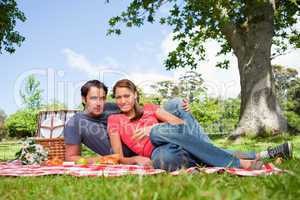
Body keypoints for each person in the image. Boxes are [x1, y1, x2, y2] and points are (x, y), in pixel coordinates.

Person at [108, 79, 293, 171]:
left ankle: (241, 163)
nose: (123, 100)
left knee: (156, 133)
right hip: (164, 151)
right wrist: (134, 160)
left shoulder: (151, 109)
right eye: (118, 97)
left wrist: (152, 129)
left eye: (127, 95)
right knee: (167, 159)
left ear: (135, 95)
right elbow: (118, 157)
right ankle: (264, 154)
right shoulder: (114, 120)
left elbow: (180, 126)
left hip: (173, 138)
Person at [63, 80, 191, 164]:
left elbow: (143, 110)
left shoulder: (113, 106)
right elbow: (70, 158)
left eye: (102, 98)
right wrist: (102, 159)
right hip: (127, 154)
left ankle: (196, 139)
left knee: (177, 104)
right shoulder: (74, 123)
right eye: (93, 98)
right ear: (84, 99)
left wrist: (180, 109)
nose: (98, 103)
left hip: (147, 138)